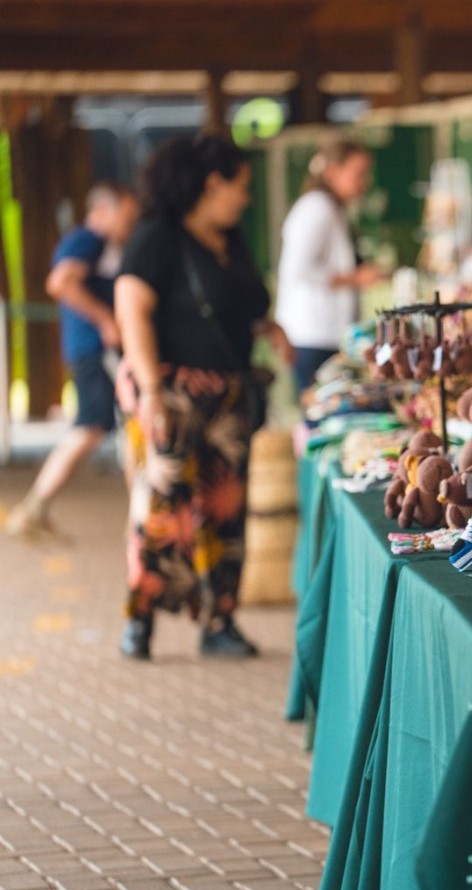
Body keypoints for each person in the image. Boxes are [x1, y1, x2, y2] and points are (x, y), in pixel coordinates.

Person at [115, 133, 294, 661]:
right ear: (212, 184)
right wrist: (149, 391)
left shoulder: (229, 240)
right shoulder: (156, 239)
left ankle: (220, 619)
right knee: (163, 507)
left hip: (229, 395)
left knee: (226, 507)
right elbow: (132, 315)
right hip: (169, 393)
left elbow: (237, 304)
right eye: (241, 186)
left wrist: (267, 327)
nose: (247, 197)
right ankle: (142, 617)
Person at [5, 183, 139, 539]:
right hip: (96, 350)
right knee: (98, 426)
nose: (131, 223)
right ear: (103, 211)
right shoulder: (89, 240)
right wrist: (105, 320)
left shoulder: (100, 246)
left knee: (109, 427)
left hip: (92, 349)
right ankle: (36, 507)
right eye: (126, 215)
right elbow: (61, 282)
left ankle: (37, 507)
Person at [275, 137, 382, 396]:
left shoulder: (332, 208)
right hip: (313, 336)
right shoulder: (316, 208)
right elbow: (298, 268)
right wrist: (354, 278)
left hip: (327, 334)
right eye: (358, 173)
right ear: (333, 172)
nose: (364, 182)